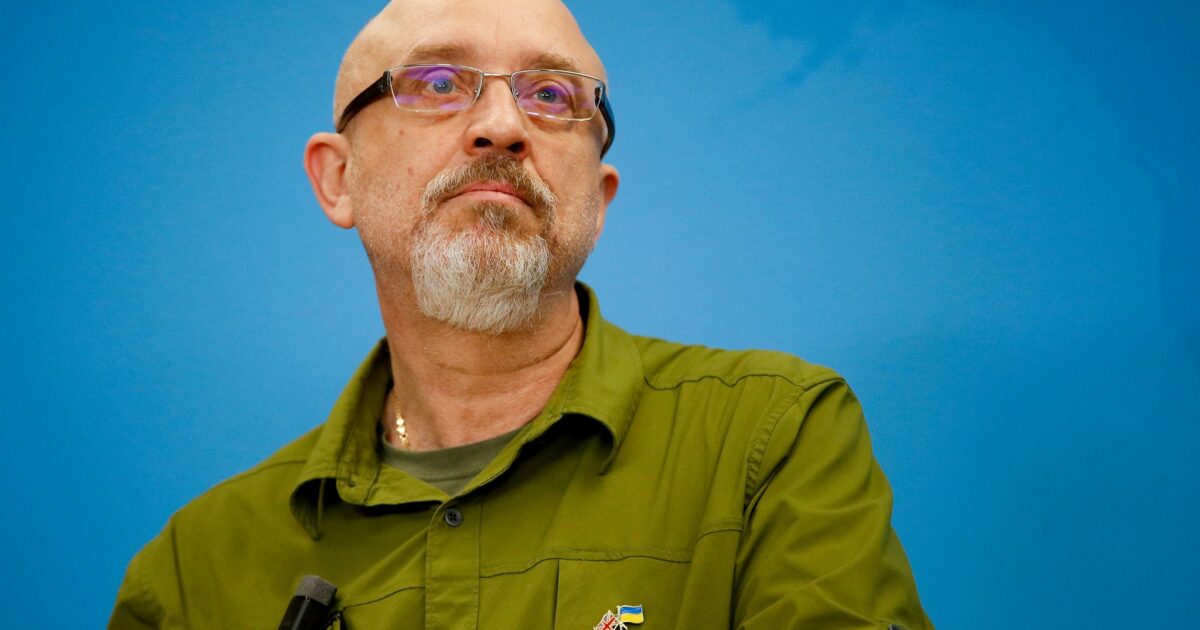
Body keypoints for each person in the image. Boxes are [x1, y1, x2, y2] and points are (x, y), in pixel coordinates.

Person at [109, 0, 933, 628]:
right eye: (438, 84)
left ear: (598, 202)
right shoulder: (195, 570)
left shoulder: (771, 440)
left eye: (551, 94)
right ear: (338, 179)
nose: (502, 126)